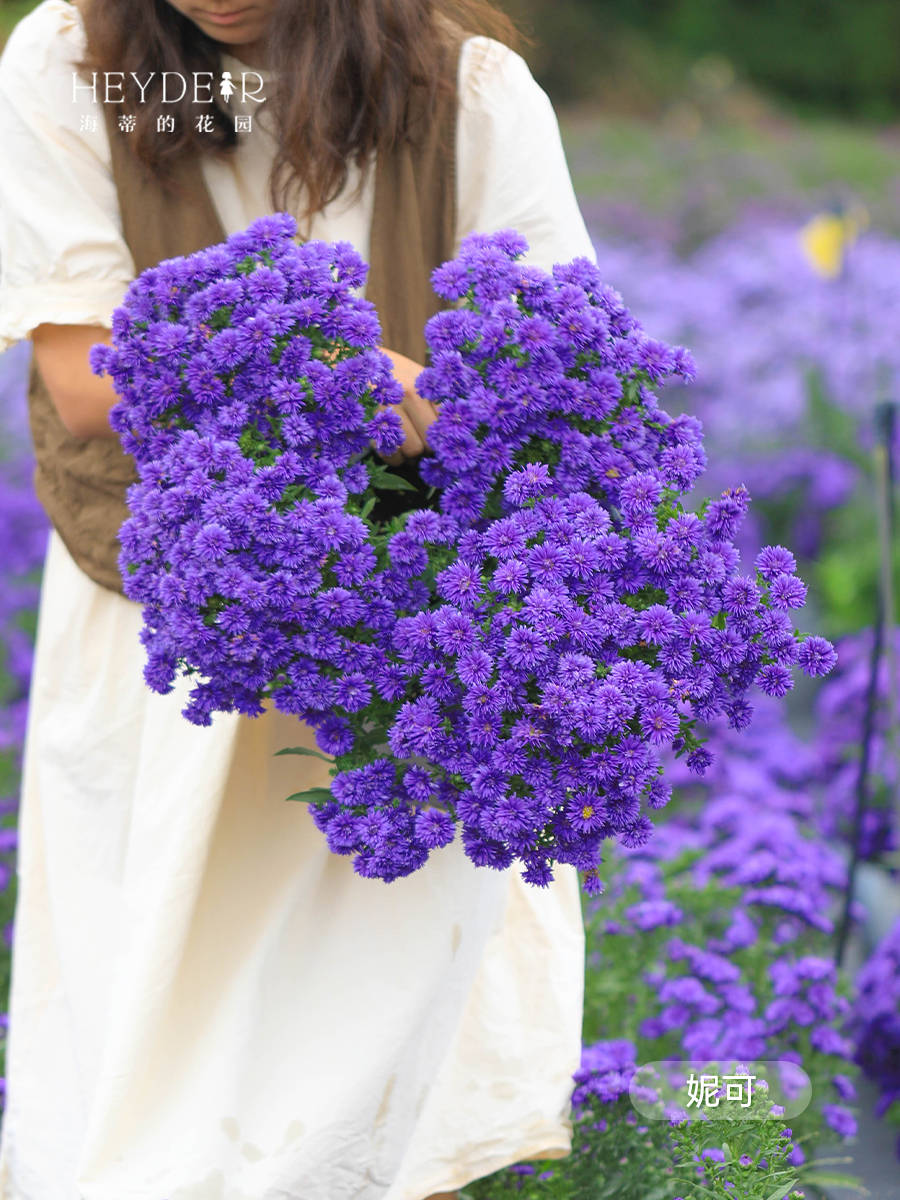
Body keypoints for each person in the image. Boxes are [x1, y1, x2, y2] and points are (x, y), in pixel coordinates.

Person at [0, 1, 596, 1197]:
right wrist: (357, 371)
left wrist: (266, 366)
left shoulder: (471, 93)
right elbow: (79, 379)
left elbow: (558, 388)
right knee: (154, 1087)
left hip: (407, 682)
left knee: (377, 1105)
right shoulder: (77, 63)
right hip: (165, 653)